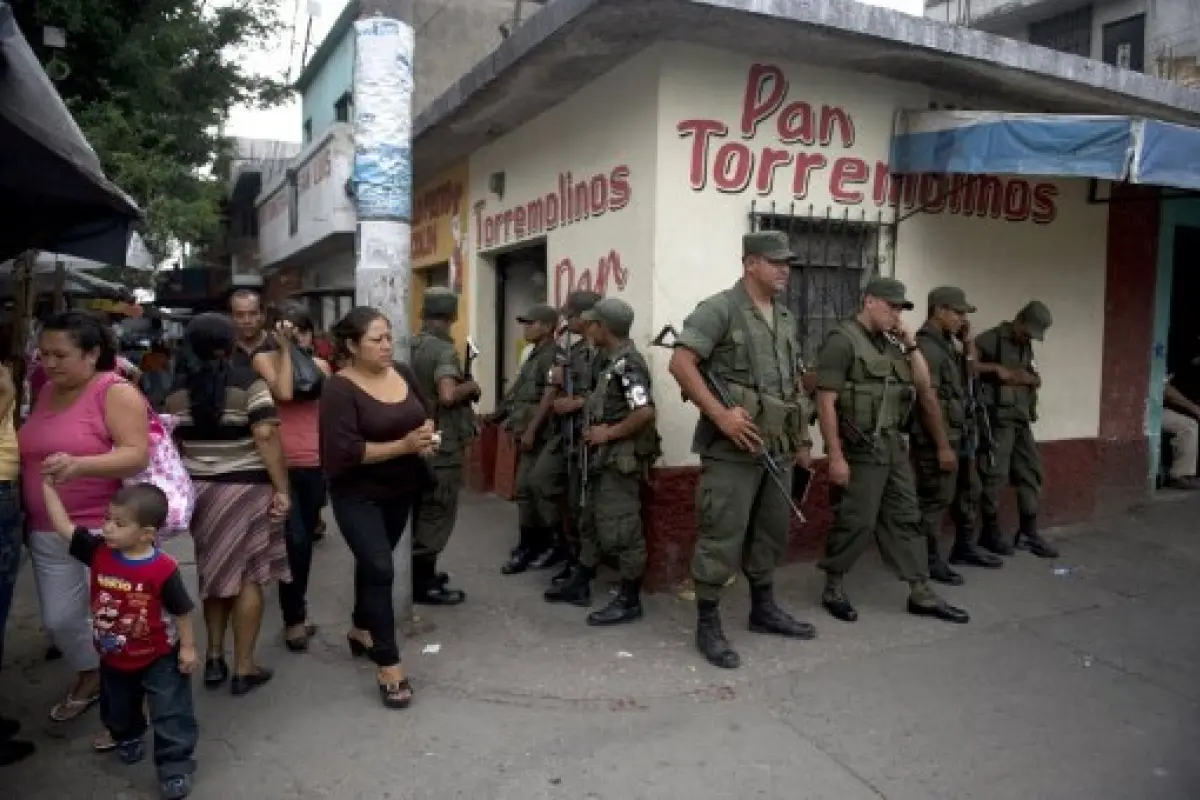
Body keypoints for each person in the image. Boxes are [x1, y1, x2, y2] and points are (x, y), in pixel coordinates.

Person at [667, 231, 817, 670]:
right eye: (775, 262)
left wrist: (804, 439)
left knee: (771, 532)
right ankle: (708, 622)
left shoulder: (786, 318)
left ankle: (763, 609)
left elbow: (792, 384)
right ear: (750, 263)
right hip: (732, 450)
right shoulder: (719, 309)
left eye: (787, 262)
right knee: (722, 534)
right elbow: (681, 363)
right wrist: (721, 415)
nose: (784, 269)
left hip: (779, 447)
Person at [18, 311, 151, 721]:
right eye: (44, 355)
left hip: (103, 529)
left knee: (120, 618)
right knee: (60, 620)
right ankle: (92, 671)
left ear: (92, 354)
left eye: (60, 355)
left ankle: (131, 699)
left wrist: (80, 466)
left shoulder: (114, 392)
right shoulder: (45, 390)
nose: (50, 363)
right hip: (46, 529)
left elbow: (136, 454)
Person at [815, 277, 969, 625]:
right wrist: (835, 456)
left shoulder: (891, 345)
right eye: (890, 306)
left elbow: (923, 384)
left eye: (900, 308)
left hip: (893, 446)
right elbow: (826, 401)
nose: (895, 314)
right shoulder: (842, 341)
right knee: (857, 520)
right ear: (869, 301)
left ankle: (921, 591)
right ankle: (834, 585)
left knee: (906, 515)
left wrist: (911, 344)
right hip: (861, 449)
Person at [42, 482, 198, 800]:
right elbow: (61, 525)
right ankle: (127, 735)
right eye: (107, 519)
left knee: (171, 712)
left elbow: (182, 611)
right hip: (114, 656)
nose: (107, 527)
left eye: (119, 523)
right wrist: (45, 485)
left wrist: (187, 647)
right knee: (119, 708)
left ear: (147, 533)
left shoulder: (163, 568)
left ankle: (174, 766)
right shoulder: (98, 551)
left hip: (159, 656)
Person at [166, 313, 290, 697]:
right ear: (229, 343)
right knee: (250, 574)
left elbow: (173, 443)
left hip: (201, 493)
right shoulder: (248, 384)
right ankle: (244, 667)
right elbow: (266, 435)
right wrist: (282, 488)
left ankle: (215, 656)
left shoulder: (175, 390)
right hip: (248, 490)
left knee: (214, 574)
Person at [320, 307, 436, 709]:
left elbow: (423, 413)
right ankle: (389, 664)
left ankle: (359, 628)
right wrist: (402, 446)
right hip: (357, 493)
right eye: (376, 339)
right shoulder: (339, 389)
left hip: (400, 489)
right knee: (381, 567)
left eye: (388, 337)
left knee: (374, 563)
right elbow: (344, 452)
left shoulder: (402, 372)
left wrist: (425, 436)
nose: (387, 346)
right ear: (352, 345)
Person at [546, 298, 659, 625]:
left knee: (622, 529)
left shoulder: (628, 365)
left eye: (592, 323)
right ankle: (581, 580)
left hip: (618, 461)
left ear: (604, 328)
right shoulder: (610, 362)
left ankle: (629, 599)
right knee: (591, 521)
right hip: (600, 460)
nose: (587, 328)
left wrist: (608, 434)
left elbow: (645, 411)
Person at [251, 302, 333, 650]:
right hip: (280, 466)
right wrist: (285, 350)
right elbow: (285, 392)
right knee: (294, 541)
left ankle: (294, 603)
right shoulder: (263, 361)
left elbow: (325, 409)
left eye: (300, 329)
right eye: (286, 328)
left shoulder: (320, 366)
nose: (294, 335)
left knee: (305, 538)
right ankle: (294, 619)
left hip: (315, 463)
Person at [910, 287, 1000, 587]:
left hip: (960, 433)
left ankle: (964, 547)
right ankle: (929, 561)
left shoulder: (948, 344)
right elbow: (927, 399)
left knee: (969, 490)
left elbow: (970, 377)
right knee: (936, 499)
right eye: (958, 313)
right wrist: (942, 446)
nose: (962, 319)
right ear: (938, 310)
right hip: (940, 438)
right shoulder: (926, 347)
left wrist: (969, 344)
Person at [973, 301, 1059, 558]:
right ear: (1019, 319)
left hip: (1020, 418)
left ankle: (1028, 533)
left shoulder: (1025, 345)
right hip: (998, 421)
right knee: (994, 475)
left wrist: (1026, 378)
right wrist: (996, 369)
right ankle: (989, 532)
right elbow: (967, 366)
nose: (1027, 337)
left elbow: (1036, 376)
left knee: (1031, 473)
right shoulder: (991, 339)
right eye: (1027, 331)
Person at [409, 289, 477, 605]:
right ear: (452, 317)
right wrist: (471, 387)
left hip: (415, 439)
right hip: (442, 443)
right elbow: (448, 394)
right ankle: (424, 584)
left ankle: (419, 575)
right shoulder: (443, 351)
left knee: (420, 508)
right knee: (437, 511)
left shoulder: (411, 345)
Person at [500, 304, 563, 575]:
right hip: (526, 431)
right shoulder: (534, 354)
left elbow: (550, 395)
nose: (526, 328)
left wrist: (531, 430)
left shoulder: (553, 355)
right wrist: (500, 414)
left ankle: (553, 544)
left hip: (542, 435)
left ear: (548, 327)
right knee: (525, 490)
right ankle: (530, 543)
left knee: (537, 488)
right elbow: (519, 391)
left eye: (531, 323)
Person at [544, 291, 601, 584]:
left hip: (592, 438)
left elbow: (609, 393)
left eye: (572, 315)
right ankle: (571, 555)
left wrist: (577, 402)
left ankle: (584, 566)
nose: (567, 320)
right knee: (562, 495)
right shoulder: (574, 351)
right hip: (569, 436)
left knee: (585, 506)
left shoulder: (604, 352)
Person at [1161, 346, 1200, 489]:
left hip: (1163, 410)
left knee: (1190, 423)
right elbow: (1165, 389)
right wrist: (1195, 409)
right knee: (1189, 426)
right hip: (1147, 412)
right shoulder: (1178, 362)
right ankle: (1180, 475)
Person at [229, 289, 269, 370]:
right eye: (240, 315)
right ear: (232, 317)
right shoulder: (226, 348)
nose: (247, 321)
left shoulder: (276, 344)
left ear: (262, 315)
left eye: (253, 313)